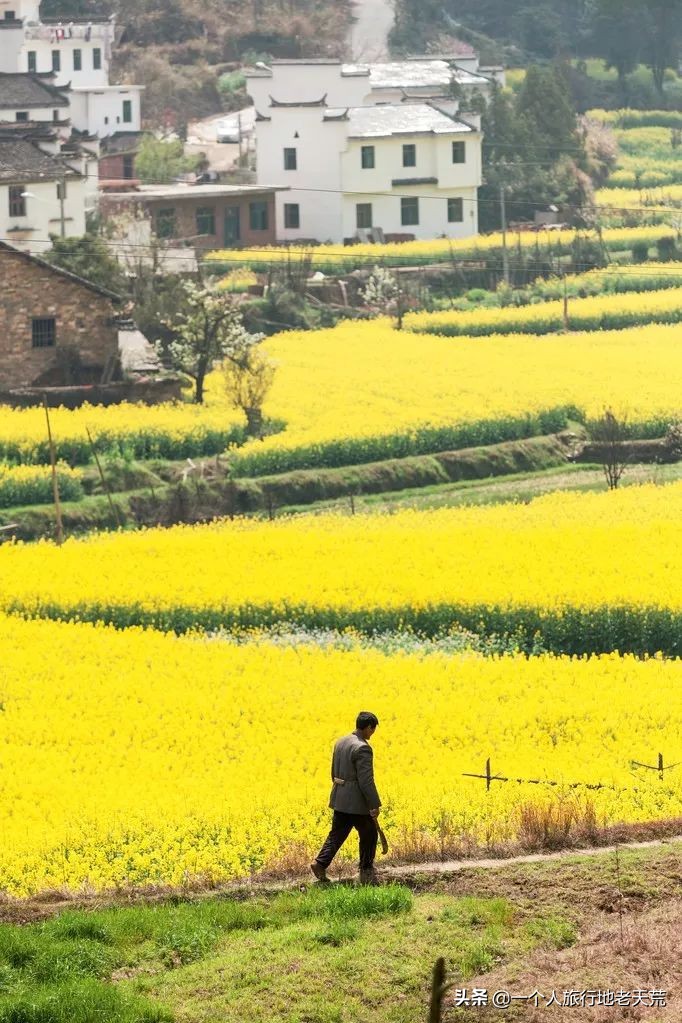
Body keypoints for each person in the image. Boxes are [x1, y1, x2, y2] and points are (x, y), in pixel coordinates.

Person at [311, 711, 382, 885]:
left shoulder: (340, 742)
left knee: (337, 834)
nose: (372, 733)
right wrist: (374, 804)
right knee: (370, 833)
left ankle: (319, 863)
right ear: (367, 727)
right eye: (373, 729)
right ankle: (366, 869)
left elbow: (333, 773)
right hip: (356, 802)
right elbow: (366, 781)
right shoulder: (363, 748)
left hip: (340, 797)